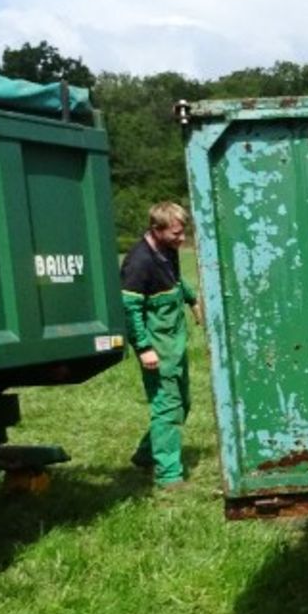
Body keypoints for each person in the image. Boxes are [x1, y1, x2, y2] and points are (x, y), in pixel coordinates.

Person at [120, 202, 199, 489]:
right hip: (158, 347)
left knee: (183, 404)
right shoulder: (138, 262)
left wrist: (192, 300)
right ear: (156, 229)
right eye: (177, 233)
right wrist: (144, 348)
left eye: (183, 232)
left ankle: (145, 455)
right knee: (167, 408)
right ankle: (169, 476)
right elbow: (130, 309)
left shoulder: (168, 250)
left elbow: (174, 281)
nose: (182, 239)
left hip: (175, 343)